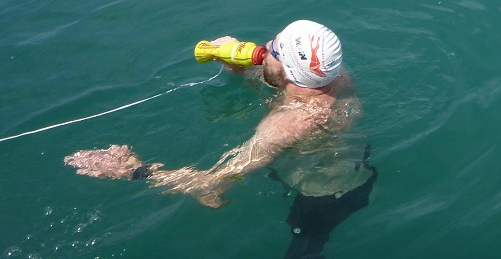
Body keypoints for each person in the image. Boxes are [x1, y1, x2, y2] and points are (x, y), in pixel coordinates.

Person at [65, 20, 376, 258]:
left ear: (291, 70)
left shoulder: (286, 125)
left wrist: (131, 170)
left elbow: (210, 185)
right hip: (350, 162)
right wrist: (234, 65)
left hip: (324, 197)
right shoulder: (334, 76)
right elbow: (283, 81)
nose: (266, 46)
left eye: (275, 50)